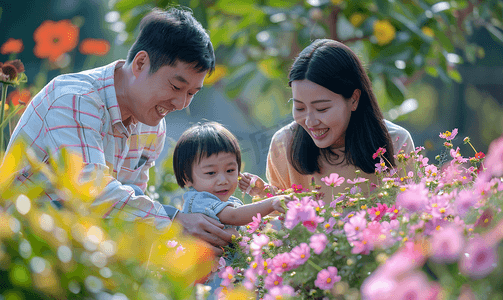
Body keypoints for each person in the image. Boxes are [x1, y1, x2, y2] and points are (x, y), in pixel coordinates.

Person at [4, 7, 234, 255]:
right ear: (141, 63)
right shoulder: (74, 99)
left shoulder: (152, 122)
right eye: (176, 86)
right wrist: (176, 221)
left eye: (191, 93)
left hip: (78, 249)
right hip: (20, 246)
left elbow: (131, 206)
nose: (180, 104)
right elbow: (90, 194)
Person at [240, 39, 414, 202]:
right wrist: (264, 194)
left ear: (353, 99)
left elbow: (412, 216)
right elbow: (278, 223)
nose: (310, 121)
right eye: (299, 108)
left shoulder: (395, 142)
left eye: (322, 109)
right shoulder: (284, 144)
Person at [173, 121, 290, 295]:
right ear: (186, 177)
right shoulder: (199, 200)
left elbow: (250, 223)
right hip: (212, 283)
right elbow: (234, 217)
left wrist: (263, 191)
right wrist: (272, 202)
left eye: (230, 170)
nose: (223, 180)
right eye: (211, 173)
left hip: (232, 280)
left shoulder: (231, 201)